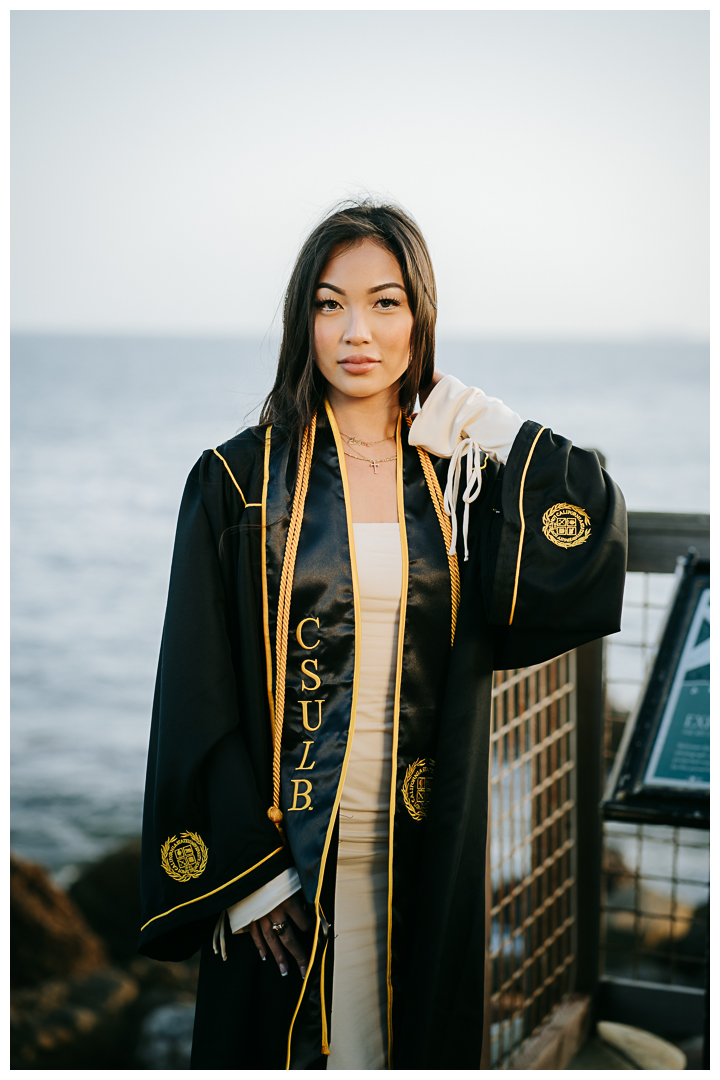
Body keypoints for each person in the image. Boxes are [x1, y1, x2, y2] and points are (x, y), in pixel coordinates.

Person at [138, 201, 627, 1070]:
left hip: (420, 849)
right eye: (330, 305)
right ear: (304, 321)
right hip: (285, 857)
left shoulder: (459, 481)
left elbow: (587, 524)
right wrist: (247, 877)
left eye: (386, 302)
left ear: (420, 317)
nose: (356, 330)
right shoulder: (237, 483)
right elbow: (192, 688)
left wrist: (497, 426)